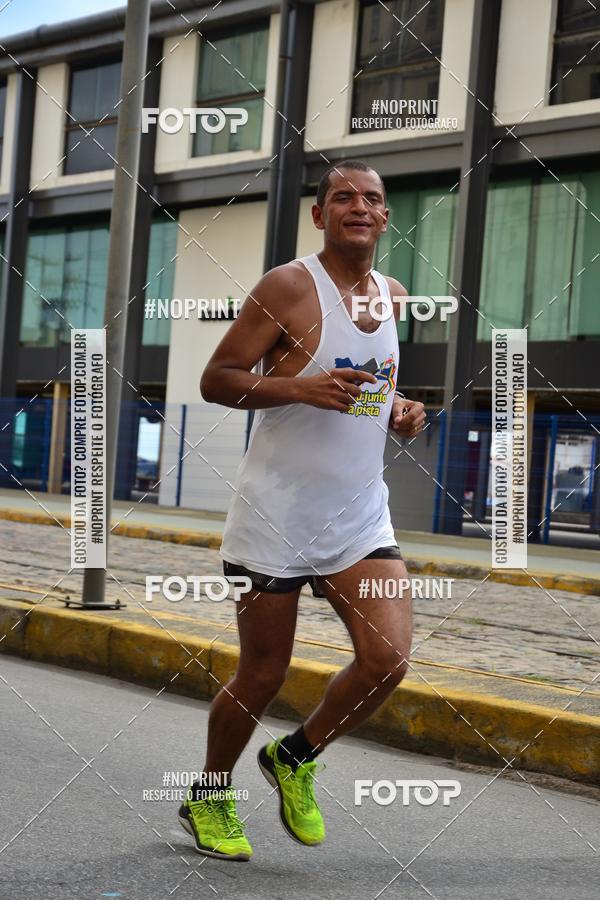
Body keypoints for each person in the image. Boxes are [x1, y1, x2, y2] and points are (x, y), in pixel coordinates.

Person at [179, 160, 426, 860]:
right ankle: (209, 796)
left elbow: (372, 392)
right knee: (263, 674)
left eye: (372, 198)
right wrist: (299, 389)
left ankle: (295, 755)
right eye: (342, 196)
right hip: (275, 516)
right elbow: (218, 380)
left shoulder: (395, 295)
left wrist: (403, 412)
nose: (359, 205)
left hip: (357, 516)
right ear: (319, 216)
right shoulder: (287, 286)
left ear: (385, 218)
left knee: (388, 660)